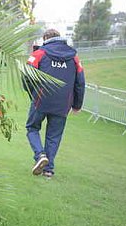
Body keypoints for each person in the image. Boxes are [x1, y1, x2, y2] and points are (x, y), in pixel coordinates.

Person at [24, 29, 86, 178]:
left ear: (45, 38)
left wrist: (32, 93)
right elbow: (80, 82)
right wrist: (77, 105)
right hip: (63, 104)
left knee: (32, 127)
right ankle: (48, 170)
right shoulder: (74, 57)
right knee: (54, 136)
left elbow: (27, 76)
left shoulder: (39, 54)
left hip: (41, 100)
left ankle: (40, 156)